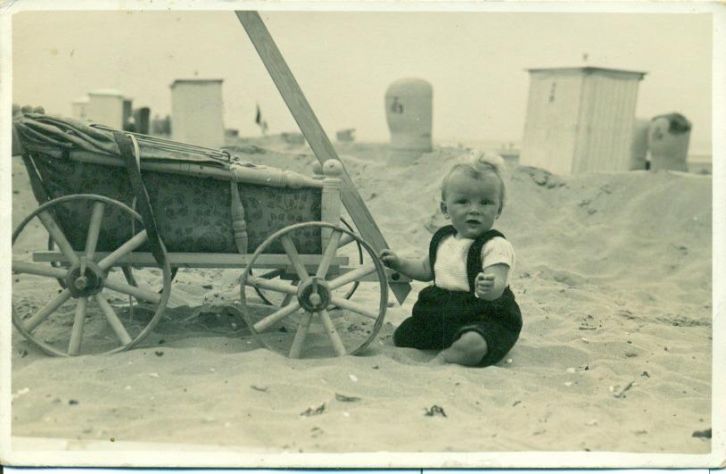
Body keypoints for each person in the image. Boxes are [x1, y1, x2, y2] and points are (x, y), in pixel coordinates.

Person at [380, 152, 522, 367]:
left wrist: (488, 287)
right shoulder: (443, 239)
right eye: (463, 202)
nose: (474, 210)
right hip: (441, 314)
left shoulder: (495, 246)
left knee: (474, 343)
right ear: (445, 209)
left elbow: (498, 283)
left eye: (485, 203)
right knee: (404, 335)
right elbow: (426, 269)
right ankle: (446, 343)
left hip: (483, 314)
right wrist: (400, 263)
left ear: (498, 209)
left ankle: (448, 357)